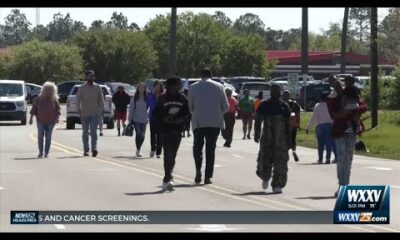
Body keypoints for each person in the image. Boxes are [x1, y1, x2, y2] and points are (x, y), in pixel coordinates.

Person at [326, 76, 367, 197]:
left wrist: (353, 112)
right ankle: (341, 185)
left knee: (348, 160)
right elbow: (333, 114)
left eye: (338, 82)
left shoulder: (352, 94)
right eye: (333, 83)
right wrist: (342, 113)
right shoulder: (332, 98)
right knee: (341, 158)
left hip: (352, 131)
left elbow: (363, 106)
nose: (337, 84)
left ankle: (345, 186)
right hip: (340, 131)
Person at [189, 68, 229, 185]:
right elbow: (226, 106)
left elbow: (190, 106)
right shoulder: (219, 86)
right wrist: (217, 111)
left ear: (201, 76)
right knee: (210, 149)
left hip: (199, 122)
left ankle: (198, 171)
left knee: (197, 147)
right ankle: (208, 176)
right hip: (214, 122)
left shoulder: (193, 87)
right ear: (211, 75)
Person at [153, 76, 190, 191]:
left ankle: (168, 177)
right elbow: (155, 113)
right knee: (167, 153)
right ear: (171, 86)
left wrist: (182, 120)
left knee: (173, 155)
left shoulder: (183, 98)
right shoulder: (162, 98)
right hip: (165, 130)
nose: (179, 86)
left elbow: (188, 114)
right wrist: (164, 119)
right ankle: (167, 178)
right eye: (178, 84)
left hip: (177, 130)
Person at [254, 84, 291, 193]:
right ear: (270, 92)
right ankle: (265, 178)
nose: (275, 92)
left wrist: (291, 140)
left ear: (279, 92)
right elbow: (258, 120)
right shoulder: (264, 105)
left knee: (281, 162)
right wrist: (256, 134)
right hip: (267, 138)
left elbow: (288, 125)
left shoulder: (284, 106)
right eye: (273, 90)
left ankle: (277, 184)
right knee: (265, 160)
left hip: (281, 140)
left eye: (276, 90)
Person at [29, 81, 61, 158]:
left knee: (48, 137)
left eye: (50, 89)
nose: (48, 91)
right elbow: (34, 108)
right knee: (40, 136)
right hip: (40, 120)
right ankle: (40, 152)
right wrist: (31, 118)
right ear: (43, 89)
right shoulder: (39, 98)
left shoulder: (54, 99)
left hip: (51, 121)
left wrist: (57, 118)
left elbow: (58, 109)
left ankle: (46, 153)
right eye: (46, 89)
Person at [77, 70, 105, 157]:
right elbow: (78, 100)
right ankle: (86, 150)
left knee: (93, 132)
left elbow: (101, 100)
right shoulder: (82, 88)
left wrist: (101, 110)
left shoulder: (98, 87)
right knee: (85, 132)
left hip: (95, 113)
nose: (92, 77)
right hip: (84, 113)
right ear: (86, 77)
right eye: (90, 76)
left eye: (93, 76)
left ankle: (94, 148)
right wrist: (78, 109)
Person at [306, 92, 334, 164]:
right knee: (329, 143)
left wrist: (308, 127)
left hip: (320, 126)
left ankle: (320, 159)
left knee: (320, 144)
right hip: (330, 125)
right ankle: (328, 158)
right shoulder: (331, 105)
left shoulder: (318, 105)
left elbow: (313, 117)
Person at [128, 82, 149, 157]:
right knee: (138, 134)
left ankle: (139, 148)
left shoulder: (147, 97)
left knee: (142, 136)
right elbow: (131, 109)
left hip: (144, 119)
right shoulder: (135, 98)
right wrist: (130, 120)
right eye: (140, 87)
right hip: (136, 119)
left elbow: (150, 107)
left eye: (143, 87)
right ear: (138, 88)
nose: (142, 89)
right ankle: (138, 149)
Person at [282, 90, 301, 162]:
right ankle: (294, 151)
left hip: (284, 125)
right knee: (293, 139)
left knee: (284, 140)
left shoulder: (281, 103)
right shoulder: (295, 103)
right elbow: (298, 115)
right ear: (290, 96)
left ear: (283, 96)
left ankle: (285, 153)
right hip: (293, 124)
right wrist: (298, 124)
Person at [147, 80, 164, 158]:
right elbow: (151, 105)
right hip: (152, 117)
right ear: (154, 87)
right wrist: (153, 95)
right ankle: (153, 149)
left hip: (161, 118)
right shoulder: (150, 95)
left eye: (159, 86)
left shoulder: (163, 95)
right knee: (153, 134)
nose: (157, 87)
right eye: (156, 86)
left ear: (161, 87)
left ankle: (158, 152)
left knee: (160, 135)